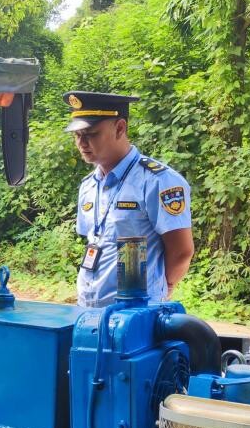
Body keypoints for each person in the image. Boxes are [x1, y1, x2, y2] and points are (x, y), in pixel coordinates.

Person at [65, 91, 194, 307]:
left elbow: (182, 251)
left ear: (120, 128)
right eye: (77, 136)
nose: (82, 143)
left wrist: (164, 288)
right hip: (88, 308)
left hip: (135, 315)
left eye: (91, 134)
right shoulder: (88, 185)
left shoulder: (157, 181)